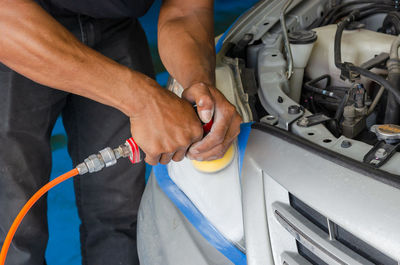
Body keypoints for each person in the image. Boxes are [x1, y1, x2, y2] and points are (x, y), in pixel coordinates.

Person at [0, 0, 242, 264]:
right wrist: (141, 99)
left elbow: (186, 9)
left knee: (121, 212)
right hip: (17, 26)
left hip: (114, 27)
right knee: (12, 226)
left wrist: (199, 86)